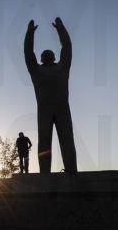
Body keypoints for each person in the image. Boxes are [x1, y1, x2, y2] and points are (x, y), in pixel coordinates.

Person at [23, 17, 78, 174]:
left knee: (67, 142)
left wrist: (61, 29)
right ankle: (45, 174)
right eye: (45, 55)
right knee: (45, 143)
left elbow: (67, 47)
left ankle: (71, 172)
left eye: (49, 54)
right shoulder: (37, 71)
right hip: (45, 111)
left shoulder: (62, 68)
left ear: (53, 57)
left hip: (62, 110)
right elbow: (28, 53)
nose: (47, 56)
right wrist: (29, 34)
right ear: (41, 59)